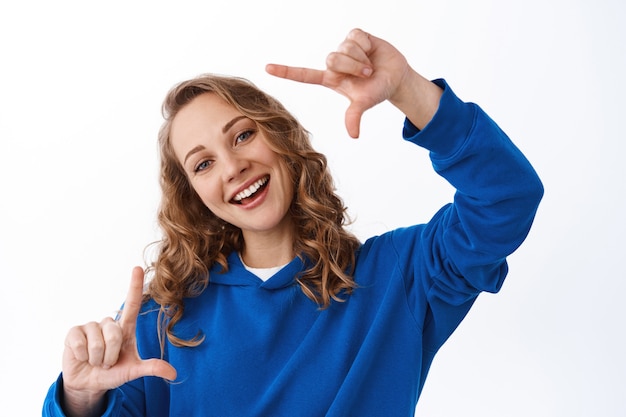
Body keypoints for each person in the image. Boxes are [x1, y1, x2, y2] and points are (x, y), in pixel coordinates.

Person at [43, 28, 543, 417]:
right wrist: (80, 400)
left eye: (241, 136)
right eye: (203, 164)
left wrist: (408, 89)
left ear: (281, 137)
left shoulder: (400, 277)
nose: (232, 167)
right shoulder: (161, 321)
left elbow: (507, 196)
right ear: (194, 197)